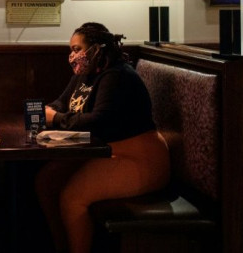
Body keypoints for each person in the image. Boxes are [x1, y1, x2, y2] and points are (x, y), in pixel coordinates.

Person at [35, 22, 170, 253]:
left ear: (96, 49)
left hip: (138, 158)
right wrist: (48, 111)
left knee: (72, 197)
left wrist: (55, 118)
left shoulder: (117, 75)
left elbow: (99, 122)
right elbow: (61, 103)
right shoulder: (85, 73)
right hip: (106, 152)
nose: (72, 56)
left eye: (77, 49)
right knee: (47, 181)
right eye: (71, 50)